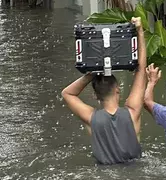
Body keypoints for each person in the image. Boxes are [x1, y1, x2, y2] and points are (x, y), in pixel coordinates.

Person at [60, 18, 147, 165]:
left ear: (95, 96)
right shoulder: (133, 112)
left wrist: (91, 73)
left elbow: (67, 94)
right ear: (118, 88)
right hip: (134, 174)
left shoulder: (91, 118)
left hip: (104, 175)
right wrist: (139, 31)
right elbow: (141, 69)